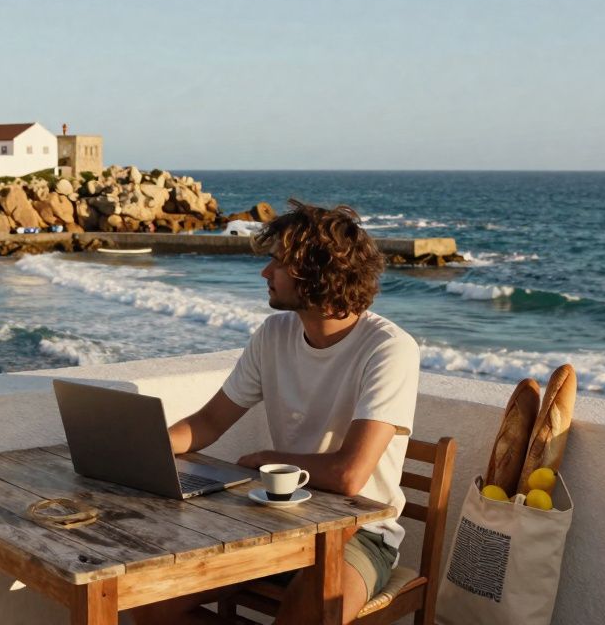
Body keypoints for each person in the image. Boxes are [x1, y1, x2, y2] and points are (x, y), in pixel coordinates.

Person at [131, 200, 420, 625]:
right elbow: (208, 422)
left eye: (279, 263)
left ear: (318, 273)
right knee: (151, 605)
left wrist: (267, 459)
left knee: (306, 613)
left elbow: (349, 475)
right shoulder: (274, 334)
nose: (265, 273)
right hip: (274, 518)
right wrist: (142, 451)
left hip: (359, 533)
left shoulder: (388, 349)